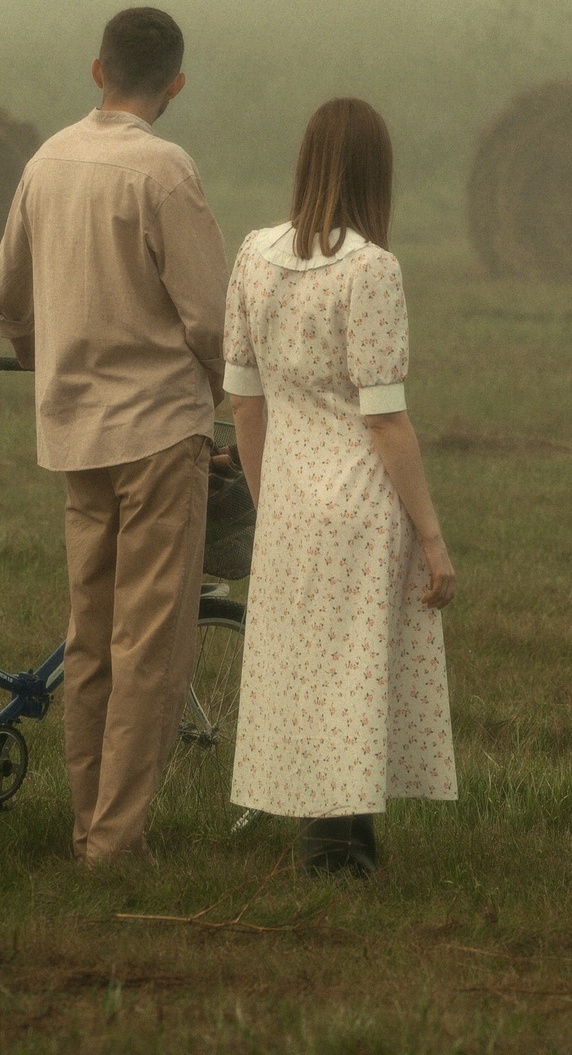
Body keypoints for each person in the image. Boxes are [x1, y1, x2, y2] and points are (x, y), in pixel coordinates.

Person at [0, 6, 230, 866]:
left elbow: (9, 303)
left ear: (97, 71)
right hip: (160, 433)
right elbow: (210, 318)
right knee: (149, 647)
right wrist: (224, 388)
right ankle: (116, 845)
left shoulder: (46, 161)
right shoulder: (165, 171)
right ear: (176, 84)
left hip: (74, 437)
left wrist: (41, 354)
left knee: (89, 640)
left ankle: (86, 825)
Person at [222, 97, 458, 876]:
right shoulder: (371, 268)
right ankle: (330, 848)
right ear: (375, 174)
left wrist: (267, 496)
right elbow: (386, 421)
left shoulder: (252, 255)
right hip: (360, 503)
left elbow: (243, 398)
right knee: (354, 668)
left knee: (305, 667)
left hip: (288, 498)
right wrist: (431, 534)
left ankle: (349, 838)